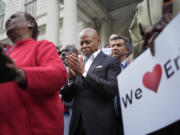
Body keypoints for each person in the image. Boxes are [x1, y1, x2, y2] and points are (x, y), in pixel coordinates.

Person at [0, 12, 68, 135]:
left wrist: (22, 75)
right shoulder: (5, 54)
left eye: (13, 17)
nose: (7, 20)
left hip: (36, 129)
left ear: (30, 24)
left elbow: (59, 74)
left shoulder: (43, 46)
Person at [61, 27, 121, 135]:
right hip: (77, 126)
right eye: (81, 43)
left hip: (99, 125)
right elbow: (67, 98)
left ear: (98, 41)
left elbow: (112, 89)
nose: (83, 46)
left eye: (87, 42)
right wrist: (71, 79)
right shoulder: (78, 63)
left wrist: (83, 73)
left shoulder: (111, 61)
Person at [60, 44, 78, 135]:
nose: (63, 53)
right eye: (62, 51)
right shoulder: (58, 71)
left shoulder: (80, 69)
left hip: (75, 111)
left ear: (75, 54)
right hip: (61, 112)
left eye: (66, 51)